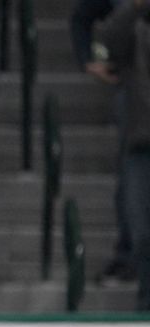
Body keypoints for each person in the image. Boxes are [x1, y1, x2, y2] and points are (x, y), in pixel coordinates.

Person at [70, 0, 137, 285]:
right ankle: (129, 257)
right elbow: (81, 16)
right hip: (136, 95)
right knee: (132, 178)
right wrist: (88, 58)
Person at [98, 0, 150, 310]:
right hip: (142, 144)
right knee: (142, 231)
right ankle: (146, 305)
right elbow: (108, 44)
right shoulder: (135, 26)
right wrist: (132, 6)